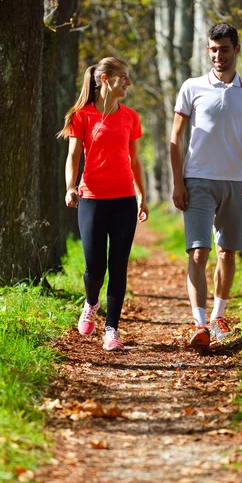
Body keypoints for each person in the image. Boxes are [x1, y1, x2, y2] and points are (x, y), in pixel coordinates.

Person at [170, 23, 242, 349]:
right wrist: (177, 182)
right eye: (213, 49)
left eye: (224, 49)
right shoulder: (192, 87)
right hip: (197, 179)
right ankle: (198, 324)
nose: (218, 56)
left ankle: (218, 316)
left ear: (236, 50)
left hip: (235, 181)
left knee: (227, 252)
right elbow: (175, 139)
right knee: (199, 252)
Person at [58, 57, 148, 351]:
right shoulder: (81, 115)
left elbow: (135, 160)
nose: (129, 82)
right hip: (92, 199)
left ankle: (112, 330)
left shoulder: (131, 117)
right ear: (106, 79)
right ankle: (90, 302)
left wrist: (141, 195)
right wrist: (70, 188)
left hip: (124, 200)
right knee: (94, 267)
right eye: (124, 76)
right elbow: (73, 157)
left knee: (118, 266)